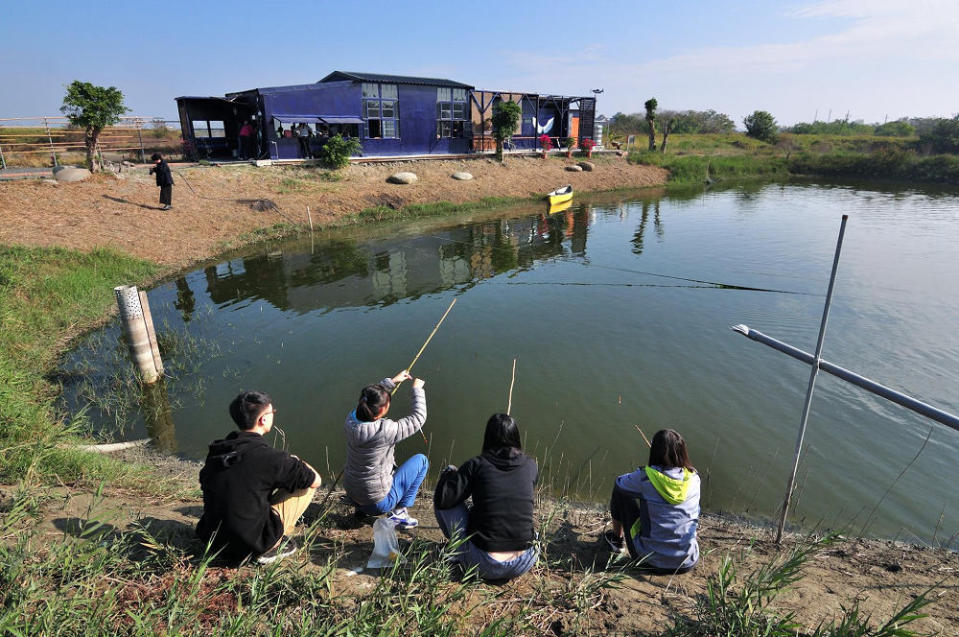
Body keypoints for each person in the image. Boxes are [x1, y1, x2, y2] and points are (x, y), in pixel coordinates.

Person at [196, 390, 322, 565]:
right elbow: (316, 480)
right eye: (272, 412)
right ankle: (273, 546)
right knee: (306, 487)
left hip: (213, 540)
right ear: (263, 419)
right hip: (250, 544)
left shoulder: (218, 451)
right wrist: (295, 461)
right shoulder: (272, 459)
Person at [434, 413, 539, 581]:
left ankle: (458, 551)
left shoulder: (476, 464)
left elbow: (444, 500)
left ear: (487, 438)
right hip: (525, 561)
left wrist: (450, 475)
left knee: (446, 488)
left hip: (485, 564)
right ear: (516, 437)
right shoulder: (531, 465)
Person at [604, 428, 700, 573]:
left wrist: (645, 473)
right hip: (687, 562)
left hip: (649, 561)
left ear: (654, 452)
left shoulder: (645, 478)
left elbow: (620, 482)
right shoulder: (693, 479)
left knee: (622, 493)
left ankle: (617, 541)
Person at [343, 371, 428, 528]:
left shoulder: (350, 420)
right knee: (422, 461)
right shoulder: (385, 430)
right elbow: (418, 418)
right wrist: (417, 390)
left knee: (365, 473)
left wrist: (391, 383)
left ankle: (360, 511)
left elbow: (369, 399)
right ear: (381, 411)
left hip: (352, 493)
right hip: (378, 504)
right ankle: (400, 512)